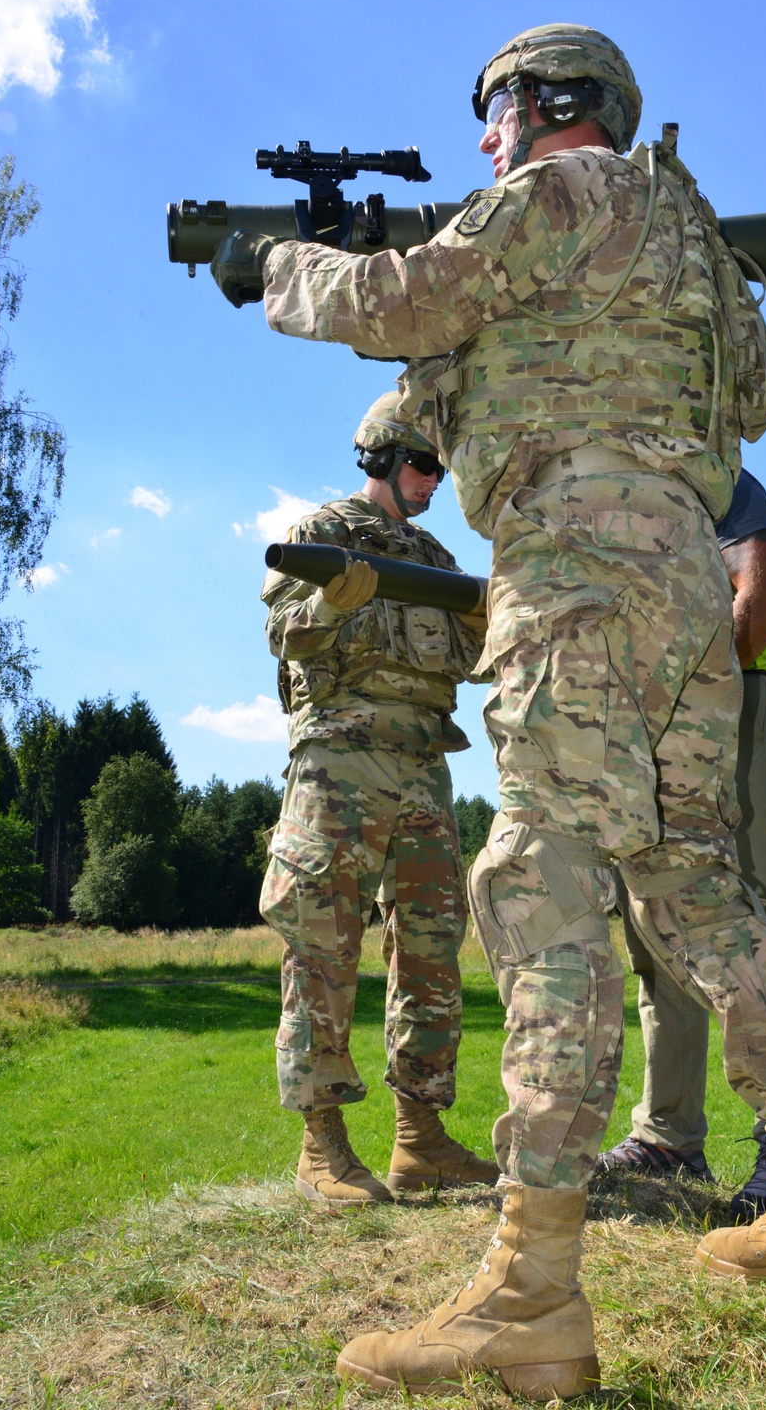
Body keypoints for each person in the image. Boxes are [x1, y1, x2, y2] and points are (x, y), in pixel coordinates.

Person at [213, 25, 766, 1401]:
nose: (483, 142)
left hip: (572, 572)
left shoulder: (564, 193)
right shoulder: (689, 235)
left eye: (495, 111)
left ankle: (530, 1289)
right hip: (684, 589)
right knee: (699, 895)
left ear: (550, 102)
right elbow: (750, 393)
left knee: (542, 893)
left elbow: (398, 303)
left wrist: (276, 264)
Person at [259, 393, 497, 1204]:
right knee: (322, 948)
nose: (435, 481)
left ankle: (418, 1139)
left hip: (425, 766)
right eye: (425, 464)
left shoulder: (434, 559)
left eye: (440, 467)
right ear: (386, 459)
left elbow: (479, 656)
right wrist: (332, 602)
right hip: (340, 767)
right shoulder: (321, 534)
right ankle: (322, 1148)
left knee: (430, 950)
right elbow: (282, 632)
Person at [602, 468, 766, 1222]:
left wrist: (697, 696)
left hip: (731, 706)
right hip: (629, 728)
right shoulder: (598, 485)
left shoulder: (723, 481)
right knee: (653, 924)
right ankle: (668, 1134)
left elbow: (764, 597)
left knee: (756, 909)